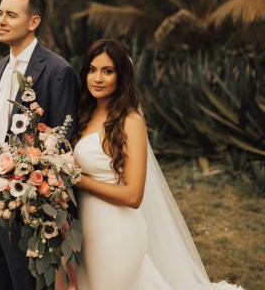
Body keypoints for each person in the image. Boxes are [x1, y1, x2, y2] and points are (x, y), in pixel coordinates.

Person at [73, 39, 244, 290]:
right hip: (85, 229)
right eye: (92, 69)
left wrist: (78, 180)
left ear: (122, 76)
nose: (97, 78)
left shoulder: (130, 121)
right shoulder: (85, 114)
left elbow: (133, 195)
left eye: (107, 71)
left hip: (115, 231)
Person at [0, 0, 78, 290]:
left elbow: (65, 146)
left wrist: (50, 208)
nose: (0, 20)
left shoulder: (57, 71)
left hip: (28, 205)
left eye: (10, 15)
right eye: (0, 13)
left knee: (26, 284)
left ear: (33, 21)